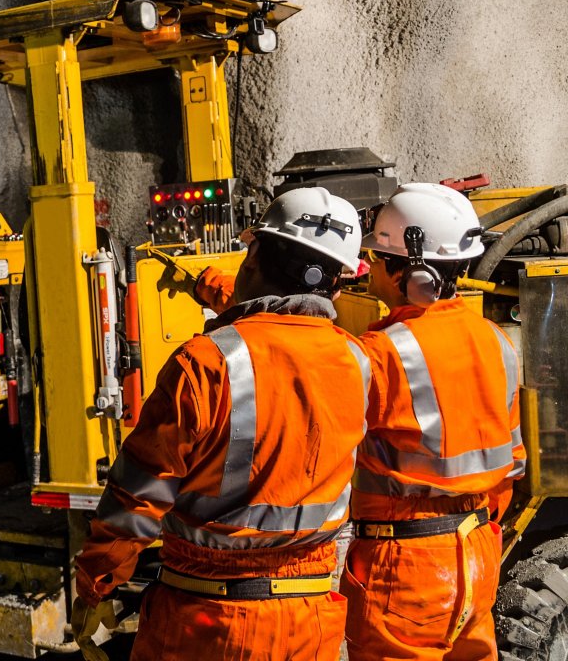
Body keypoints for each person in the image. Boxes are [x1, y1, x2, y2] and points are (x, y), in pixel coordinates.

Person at [73, 187, 370, 661]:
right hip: (311, 622)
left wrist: (96, 582)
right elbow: (287, 324)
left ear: (251, 258)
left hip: (207, 623)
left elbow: (139, 493)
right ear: (337, 285)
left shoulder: (206, 362)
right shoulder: (359, 361)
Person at [340, 183, 524, 660]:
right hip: (479, 552)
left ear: (411, 273)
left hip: (406, 568)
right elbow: (512, 465)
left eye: (379, 259)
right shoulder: (497, 343)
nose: (371, 269)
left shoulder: (381, 353)